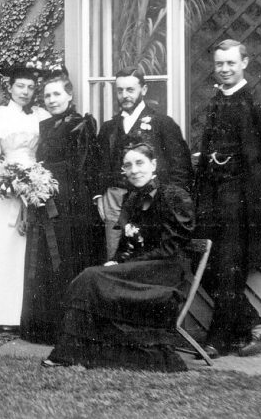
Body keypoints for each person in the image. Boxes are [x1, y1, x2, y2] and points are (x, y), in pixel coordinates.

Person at [43, 143, 194, 371]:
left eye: (140, 163)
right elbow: (126, 243)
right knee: (93, 277)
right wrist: (117, 260)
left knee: (91, 277)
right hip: (138, 271)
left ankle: (67, 353)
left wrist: (126, 264)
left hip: (166, 273)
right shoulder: (131, 199)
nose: (134, 170)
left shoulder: (174, 195)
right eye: (128, 165)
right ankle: (73, 352)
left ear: (154, 164)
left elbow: (171, 248)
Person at [194, 39, 261, 357]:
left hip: (241, 207)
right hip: (211, 203)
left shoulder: (258, 104)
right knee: (206, 266)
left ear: (245, 63)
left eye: (231, 63)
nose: (224, 69)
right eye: (220, 64)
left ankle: (217, 341)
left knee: (228, 270)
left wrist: (259, 197)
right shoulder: (214, 102)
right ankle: (254, 325)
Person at [20, 70, 104, 345]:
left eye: (58, 94)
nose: (52, 99)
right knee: (44, 261)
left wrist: (53, 186)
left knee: (65, 258)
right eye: (47, 95)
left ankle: (67, 328)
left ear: (70, 95)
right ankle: (43, 327)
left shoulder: (82, 124)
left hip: (71, 204)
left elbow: (84, 167)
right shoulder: (45, 127)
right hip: (45, 200)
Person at [0, 63, 50, 328]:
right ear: (9, 87)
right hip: (6, 185)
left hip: (35, 185)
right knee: (3, 242)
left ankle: (25, 312)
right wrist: (10, 178)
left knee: (28, 245)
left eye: (30, 87)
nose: (25, 91)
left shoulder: (41, 115)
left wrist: (34, 180)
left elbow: (46, 152)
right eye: (20, 86)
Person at [94, 67, 193, 259]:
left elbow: (181, 168)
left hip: (152, 201)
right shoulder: (109, 127)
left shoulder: (163, 123)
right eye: (120, 90)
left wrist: (170, 203)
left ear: (144, 90)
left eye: (130, 90)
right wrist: (99, 195)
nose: (125, 95)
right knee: (115, 254)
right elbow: (99, 165)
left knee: (147, 253)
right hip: (115, 200)